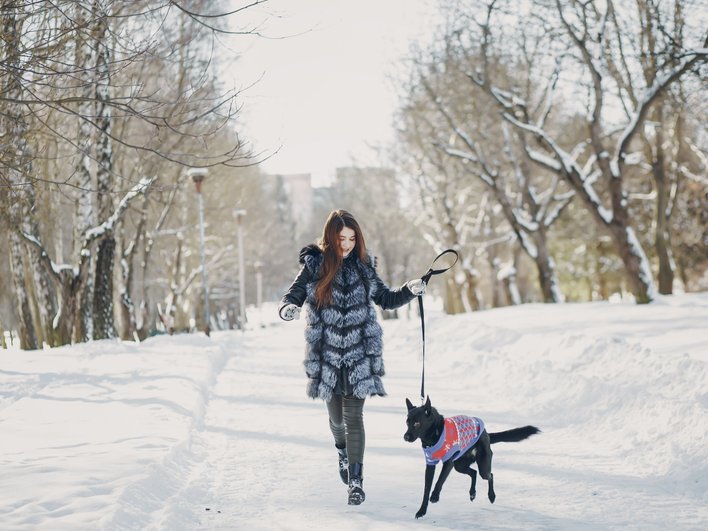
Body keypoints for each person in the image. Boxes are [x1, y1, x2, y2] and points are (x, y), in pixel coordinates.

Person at [279, 209, 426, 506]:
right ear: (330, 238)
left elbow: (387, 299)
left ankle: (356, 482)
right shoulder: (315, 265)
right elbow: (293, 295)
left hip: (359, 353)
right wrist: (289, 308)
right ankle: (342, 451)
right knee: (336, 421)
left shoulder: (364, 267)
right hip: (327, 355)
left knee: (353, 417)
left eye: (351, 238)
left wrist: (411, 289)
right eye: (340, 238)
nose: (346, 243)